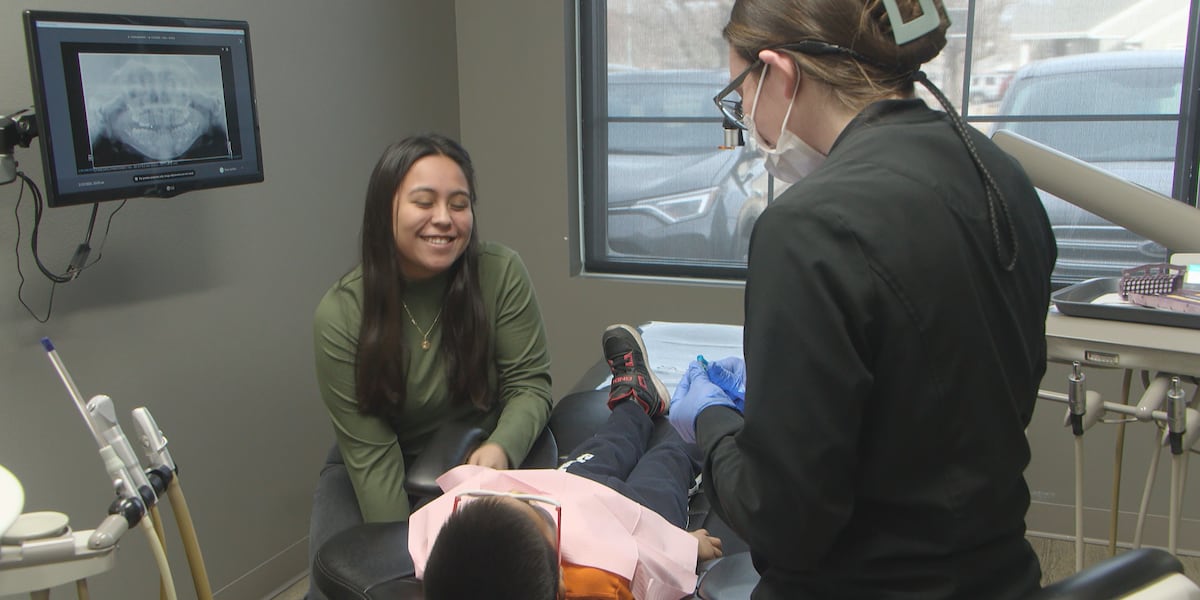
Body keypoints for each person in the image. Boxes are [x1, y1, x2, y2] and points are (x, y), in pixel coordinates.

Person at [668, 1, 1057, 599]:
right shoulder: (1000, 177)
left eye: (740, 93)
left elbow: (784, 520)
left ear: (779, 71)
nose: (745, 117)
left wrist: (714, 420)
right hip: (1000, 578)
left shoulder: (808, 226)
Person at [307, 134, 553, 599]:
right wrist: (409, 557)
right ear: (386, 210)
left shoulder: (500, 273)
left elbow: (530, 386)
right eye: (424, 202)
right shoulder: (340, 315)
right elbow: (372, 456)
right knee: (344, 585)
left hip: (481, 455)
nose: (444, 218)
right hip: (376, 461)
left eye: (459, 204)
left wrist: (499, 449)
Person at [409, 324, 723, 600]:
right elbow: (653, 566)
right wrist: (684, 548)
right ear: (561, 585)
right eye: (535, 509)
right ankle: (707, 409)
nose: (522, 496)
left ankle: (636, 401)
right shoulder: (602, 585)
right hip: (637, 522)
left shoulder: (442, 557)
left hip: (577, 489)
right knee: (666, 464)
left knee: (610, 443)